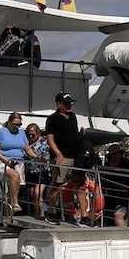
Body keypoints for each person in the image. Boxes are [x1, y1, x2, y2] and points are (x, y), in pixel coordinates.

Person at [44, 91, 84, 223]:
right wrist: (58, 155)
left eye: (70, 103)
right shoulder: (52, 119)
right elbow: (50, 139)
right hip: (62, 157)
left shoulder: (72, 116)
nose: (69, 106)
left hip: (74, 156)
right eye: (66, 103)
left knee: (80, 184)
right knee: (57, 184)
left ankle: (84, 216)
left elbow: (73, 135)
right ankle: (51, 212)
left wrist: (81, 134)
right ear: (58, 104)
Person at [97, 144, 129, 227]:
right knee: (110, 216)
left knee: (118, 215)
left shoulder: (126, 163)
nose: (116, 155)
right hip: (111, 195)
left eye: (118, 153)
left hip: (125, 194)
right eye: (114, 154)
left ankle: (124, 235)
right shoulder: (107, 165)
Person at [0, 112, 28, 216]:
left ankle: (8, 215)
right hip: (3, 161)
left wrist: (38, 158)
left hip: (19, 162)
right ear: (9, 122)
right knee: (14, 176)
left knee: (12, 187)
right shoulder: (0, 132)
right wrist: (6, 160)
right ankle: (15, 204)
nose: (17, 127)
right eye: (15, 124)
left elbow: (27, 149)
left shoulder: (22, 133)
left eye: (19, 124)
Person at [22, 122, 50, 218]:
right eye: (28, 135)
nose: (30, 137)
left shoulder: (45, 142)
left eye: (32, 134)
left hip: (43, 172)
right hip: (30, 172)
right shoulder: (26, 143)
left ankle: (42, 214)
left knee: (37, 193)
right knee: (32, 194)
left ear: (38, 133)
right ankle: (38, 213)